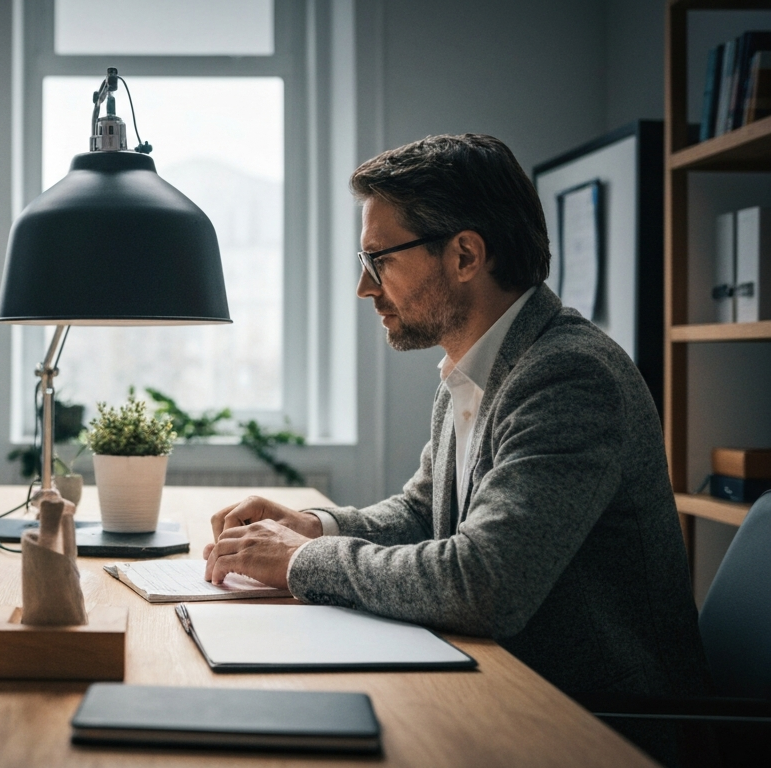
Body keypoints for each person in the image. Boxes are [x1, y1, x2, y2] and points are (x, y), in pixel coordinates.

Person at [203, 134, 706, 759]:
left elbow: (483, 582)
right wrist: (313, 525)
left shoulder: (570, 377)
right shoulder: (474, 369)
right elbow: (423, 514)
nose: (364, 287)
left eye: (379, 259)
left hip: (597, 726)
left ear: (465, 255)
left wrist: (302, 561)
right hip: (505, 689)